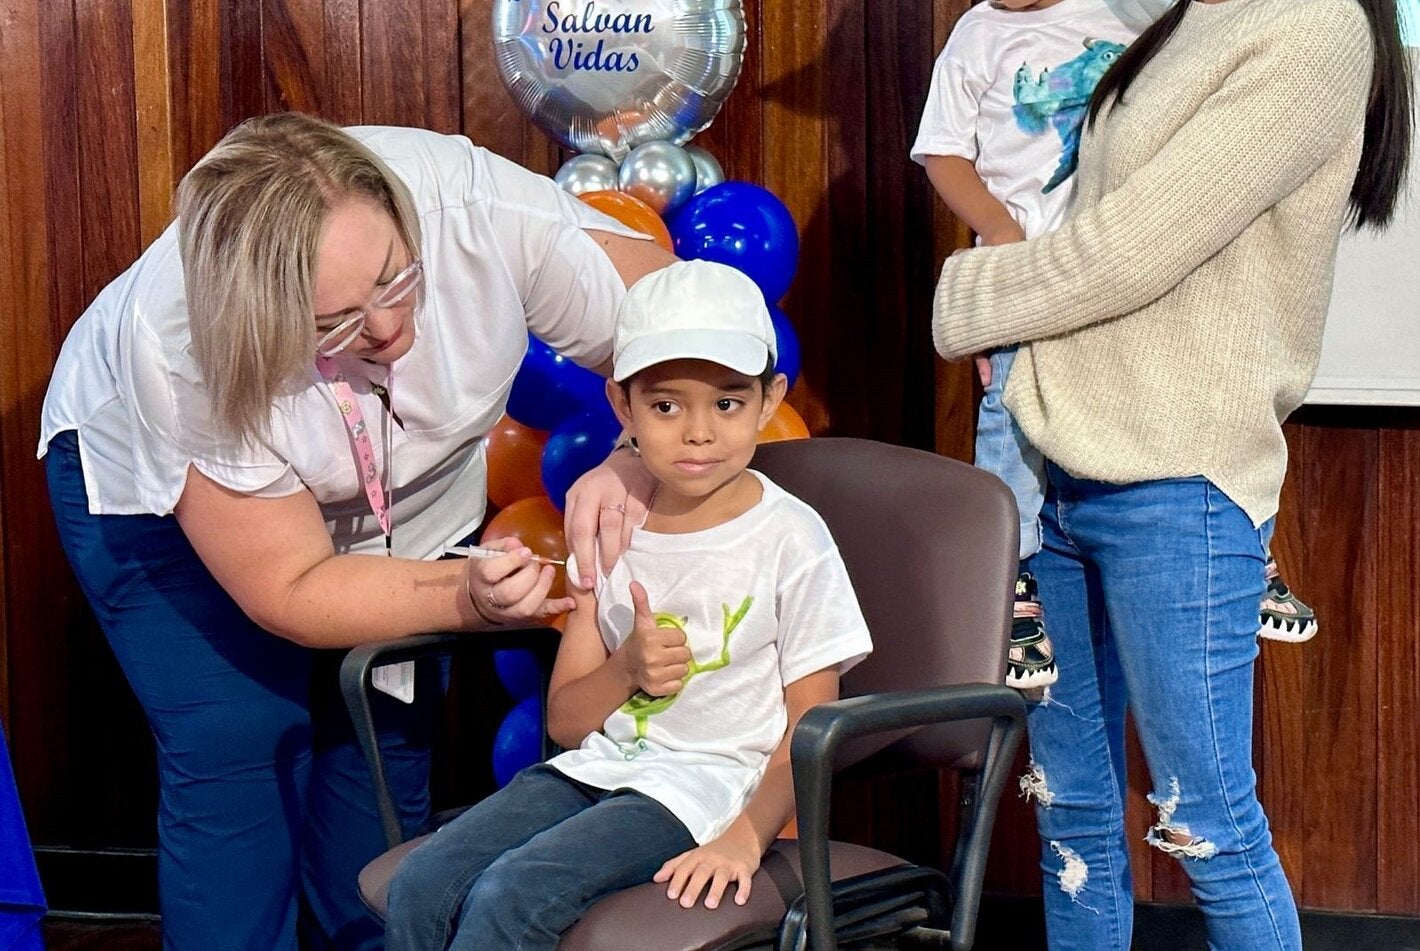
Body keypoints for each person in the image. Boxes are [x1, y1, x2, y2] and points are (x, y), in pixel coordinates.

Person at [37, 112, 672, 951]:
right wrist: (463, 596)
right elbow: (292, 586)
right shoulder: (179, 342)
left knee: (381, 734)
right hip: (165, 496)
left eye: (396, 280)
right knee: (240, 739)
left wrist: (635, 452)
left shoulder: (479, 212)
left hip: (412, 494)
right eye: (332, 322)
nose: (384, 329)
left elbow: (685, 323)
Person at [931, 0, 1411, 947]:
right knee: (1069, 812)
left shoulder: (1311, 25)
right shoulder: (1183, 15)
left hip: (1179, 483)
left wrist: (968, 300)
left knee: (1208, 830)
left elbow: (1132, 248)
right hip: (1057, 459)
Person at [382, 259, 873, 951]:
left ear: (770, 400)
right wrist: (627, 671)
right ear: (623, 408)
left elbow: (812, 724)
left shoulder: (792, 537)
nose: (697, 431)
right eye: (666, 405)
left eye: (727, 403)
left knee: (511, 895)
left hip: (707, 790)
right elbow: (570, 721)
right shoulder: (615, 530)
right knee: (423, 879)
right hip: (598, 771)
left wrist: (745, 835)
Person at [912, 0, 1317, 695]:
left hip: (1118, 272)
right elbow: (941, 152)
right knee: (1009, 427)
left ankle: (1249, 558)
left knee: (1194, 398)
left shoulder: (1122, 14)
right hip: (1027, 282)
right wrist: (1000, 230)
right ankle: (1010, 589)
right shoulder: (977, 35)